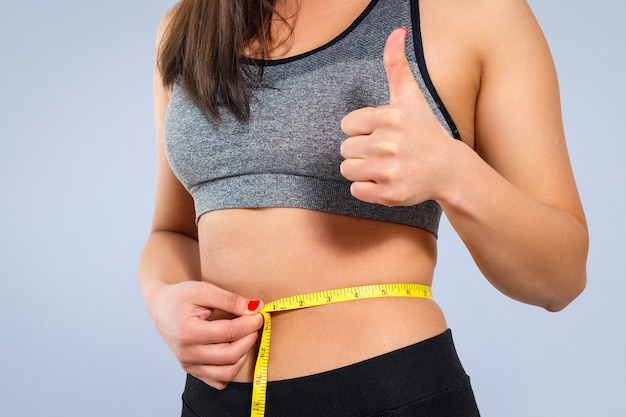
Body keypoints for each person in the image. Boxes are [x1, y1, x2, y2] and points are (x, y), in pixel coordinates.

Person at [139, 0, 588, 415]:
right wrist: (163, 301)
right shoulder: (189, 22)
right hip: (213, 401)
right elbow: (173, 231)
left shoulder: (469, 11)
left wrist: (455, 173)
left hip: (386, 391)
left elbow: (561, 278)